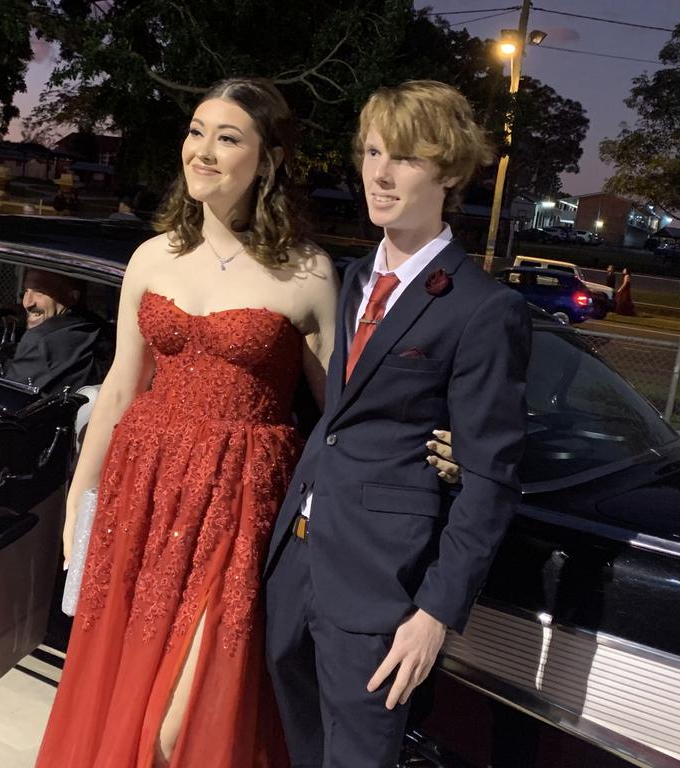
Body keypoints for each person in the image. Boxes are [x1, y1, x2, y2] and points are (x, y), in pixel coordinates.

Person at [34, 78, 460, 768]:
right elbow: (118, 391)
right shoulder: (150, 257)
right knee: (123, 692)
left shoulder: (307, 273)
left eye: (227, 138)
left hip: (238, 508)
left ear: (266, 161)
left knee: (182, 723)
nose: (202, 151)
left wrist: (439, 444)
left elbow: (347, 410)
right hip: (138, 496)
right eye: (196, 131)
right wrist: (79, 504)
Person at [263, 80, 531, 768]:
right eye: (372, 152)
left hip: (382, 583)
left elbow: (491, 481)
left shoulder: (481, 308)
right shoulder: (346, 281)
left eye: (405, 158)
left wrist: (435, 616)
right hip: (294, 563)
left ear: (448, 172)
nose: (379, 174)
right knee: (298, 747)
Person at [0, 269, 103, 392]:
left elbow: (8, 395)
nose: (27, 303)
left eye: (39, 292)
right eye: (26, 291)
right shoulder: (95, 326)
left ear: (72, 296)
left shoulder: (40, 341)